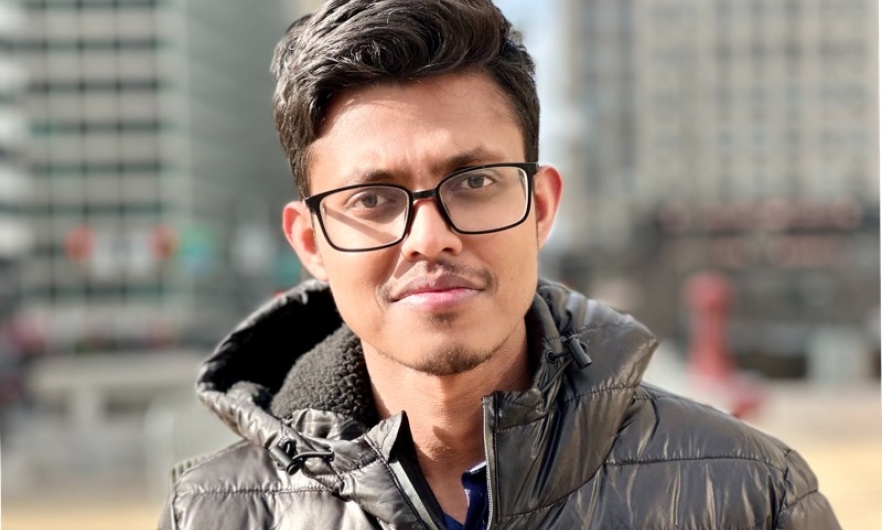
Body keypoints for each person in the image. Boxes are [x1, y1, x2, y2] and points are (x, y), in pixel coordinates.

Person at [158, 1, 840, 528]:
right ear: (310, 242)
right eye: (371, 198)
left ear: (541, 206)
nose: (429, 237)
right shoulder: (212, 514)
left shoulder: (749, 495)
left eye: (474, 183)